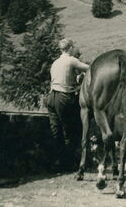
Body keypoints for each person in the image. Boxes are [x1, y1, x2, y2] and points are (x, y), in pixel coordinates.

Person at [47, 38, 89, 171]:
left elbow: (61, 79)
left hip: (52, 97)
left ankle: (58, 162)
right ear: (70, 48)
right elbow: (91, 68)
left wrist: (75, 79)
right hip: (63, 97)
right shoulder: (71, 60)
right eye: (73, 47)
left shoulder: (55, 62)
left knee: (56, 131)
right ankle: (70, 163)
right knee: (70, 130)